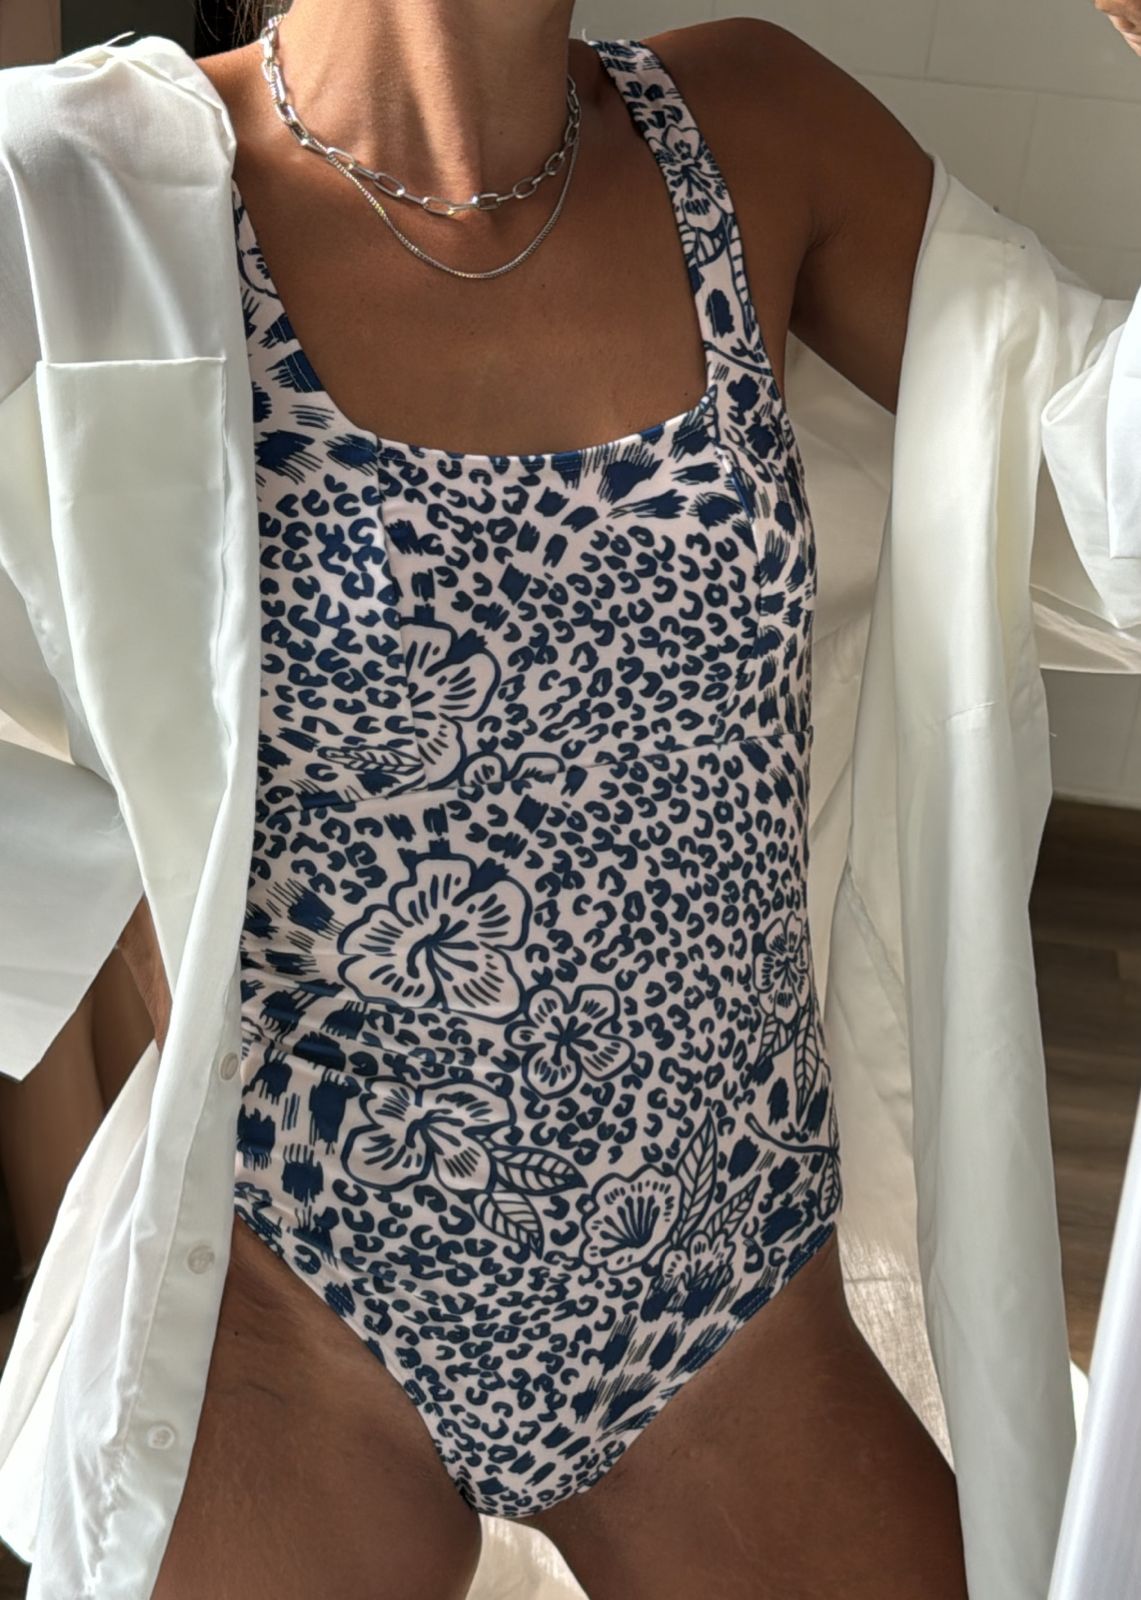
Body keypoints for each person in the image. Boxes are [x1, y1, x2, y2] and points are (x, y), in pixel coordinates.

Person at [133, 3, 971, 1597]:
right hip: (285, 1298)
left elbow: (1102, 474)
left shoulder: (755, 132)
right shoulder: (110, 179)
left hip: (717, 1277)